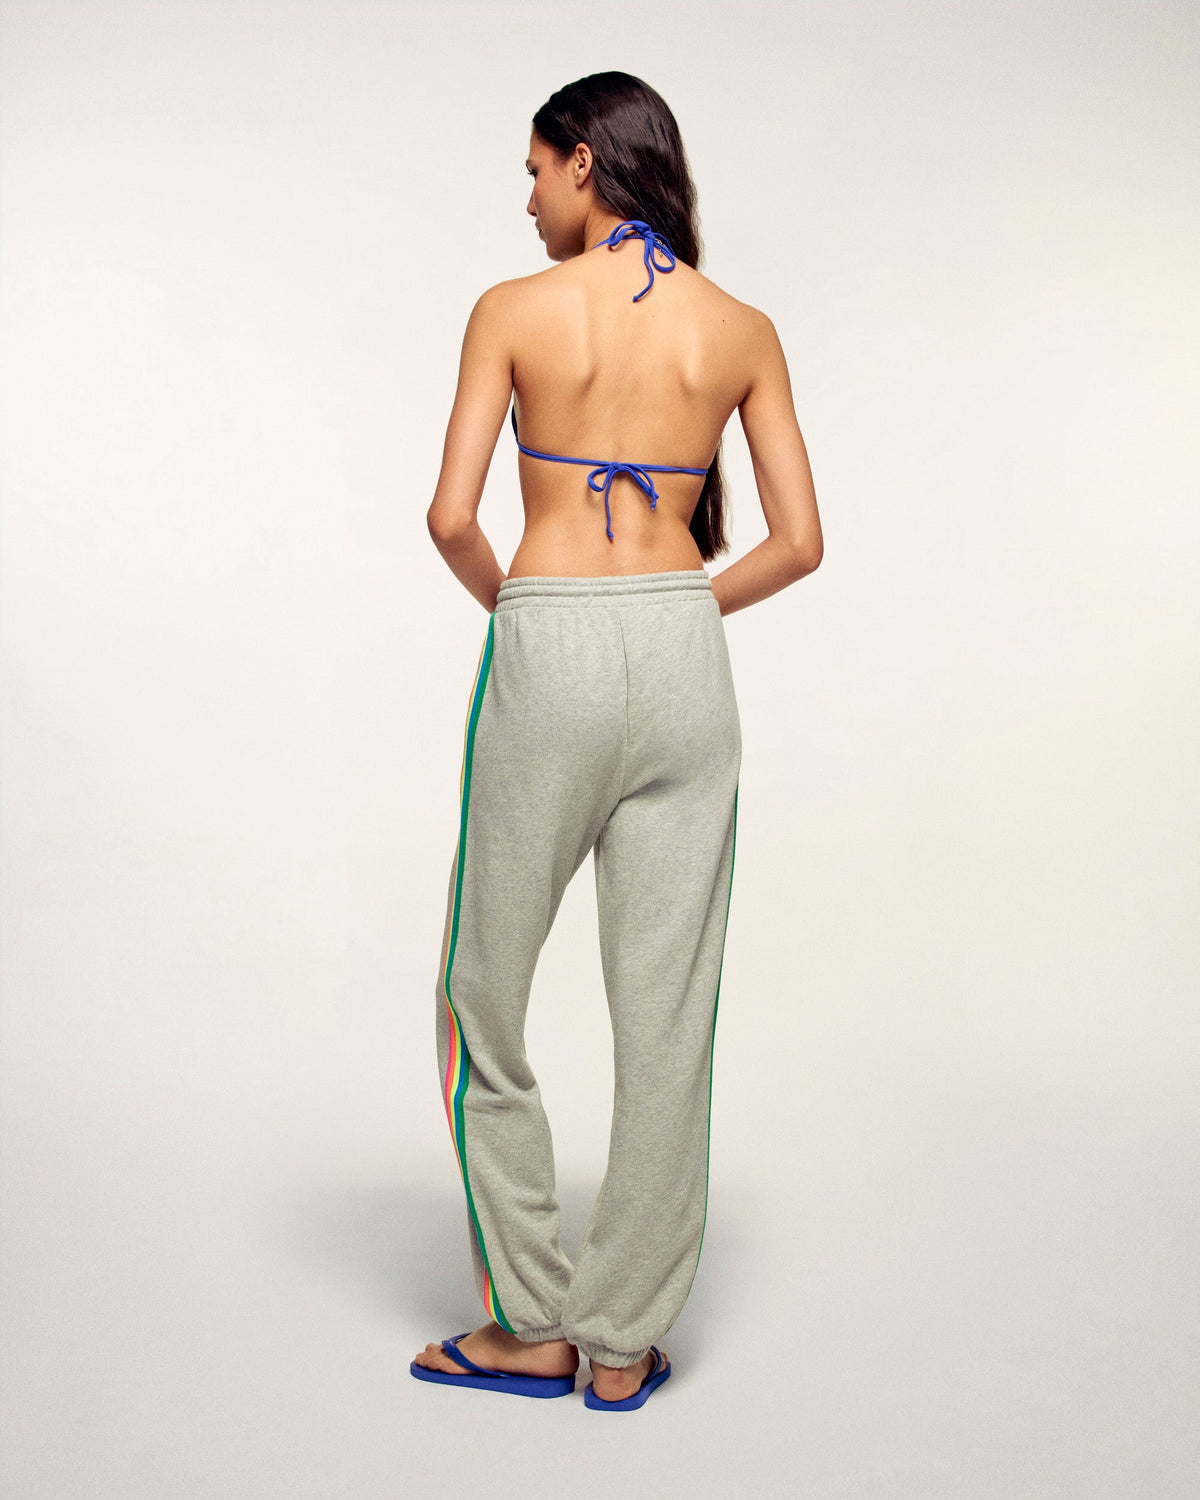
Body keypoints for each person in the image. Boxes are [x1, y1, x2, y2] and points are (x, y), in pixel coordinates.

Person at [411, 71, 822, 1410]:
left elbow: (451, 519)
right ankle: (623, 1343)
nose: (529, 198)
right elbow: (800, 543)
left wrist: (528, 614)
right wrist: (678, 609)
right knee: (668, 1011)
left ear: (584, 162)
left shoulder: (512, 309)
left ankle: (530, 1320)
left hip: (551, 643)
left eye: (535, 170)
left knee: (482, 992)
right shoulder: (742, 328)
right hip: (685, 656)